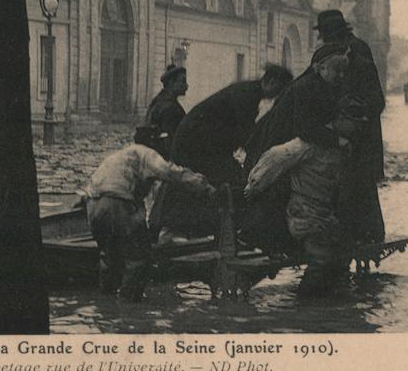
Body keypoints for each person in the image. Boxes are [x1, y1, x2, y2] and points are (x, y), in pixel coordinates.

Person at [244, 43, 354, 296]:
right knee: (277, 200)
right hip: (277, 145)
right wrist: (336, 139)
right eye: (336, 71)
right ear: (319, 67)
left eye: (343, 72)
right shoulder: (306, 89)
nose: (340, 77)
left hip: (297, 149)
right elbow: (305, 130)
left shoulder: (327, 87)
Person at [151, 64, 293, 239]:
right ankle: (205, 230)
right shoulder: (247, 95)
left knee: (200, 182)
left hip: (202, 143)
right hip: (198, 144)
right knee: (226, 183)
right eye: (278, 89)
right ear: (270, 81)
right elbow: (246, 134)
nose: (276, 95)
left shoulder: (249, 92)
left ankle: (191, 228)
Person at [84, 125, 215, 301]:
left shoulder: (119, 155)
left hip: (93, 205)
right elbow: (170, 172)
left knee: (110, 257)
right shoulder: (146, 153)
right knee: (139, 258)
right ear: (154, 142)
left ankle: (106, 305)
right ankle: (128, 306)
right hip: (118, 204)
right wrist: (205, 186)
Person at [310, 10, 386, 244]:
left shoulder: (353, 53)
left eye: (323, 35)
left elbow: (372, 99)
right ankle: (363, 236)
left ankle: (357, 237)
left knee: (353, 185)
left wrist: (354, 115)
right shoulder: (353, 49)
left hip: (357, 132)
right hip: (355, 131)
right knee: (358, 187)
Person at [144, 64, 188, 158]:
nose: (186, 86)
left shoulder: (159, 101)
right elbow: (174, 142)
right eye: (183, 82)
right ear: (171, 83)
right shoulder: (171, 108)